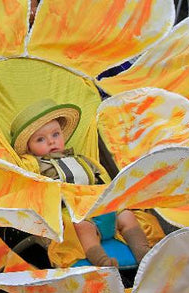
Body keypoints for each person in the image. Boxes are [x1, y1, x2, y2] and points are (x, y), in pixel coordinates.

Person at [10, 99, 151, 268]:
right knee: (83, 228)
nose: (51, 141)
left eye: (56, 134)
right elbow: (34, 190)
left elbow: (100, 178)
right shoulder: (36, 166)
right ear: (29, 148)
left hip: (99, 203)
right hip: (73, 210)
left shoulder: (82, 159)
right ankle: (102, 262)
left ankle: (144, 255)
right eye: (40, 139)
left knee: (127, 216)